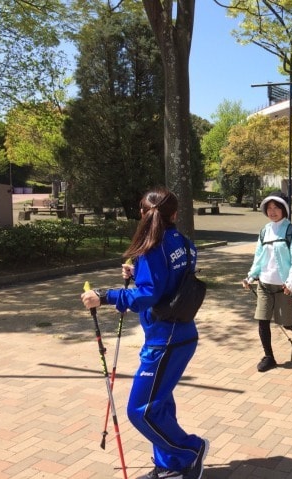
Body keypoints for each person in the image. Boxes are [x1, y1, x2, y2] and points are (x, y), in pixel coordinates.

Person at [80, 187, 209, 479]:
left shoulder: (153, 248)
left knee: (141, 410)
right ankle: (169, 466)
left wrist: (105, 295)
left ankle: (190, 451)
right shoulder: (185, 243)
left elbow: (147, 296)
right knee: (159, 404)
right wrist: (137, 273)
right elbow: (167, 282)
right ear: (175, 214)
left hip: (167, 340)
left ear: (142, 212)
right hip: (179, 334)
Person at [242, 191, 292, 372]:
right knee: (262, 320)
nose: (272, 211)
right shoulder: (264, 231)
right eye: (269, 208)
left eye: (276, 207)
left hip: (284, 285)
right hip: (264, 283)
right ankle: (269, 356)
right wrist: (250, 276)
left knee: (286, 322)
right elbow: (258, 257)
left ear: (284, 209)